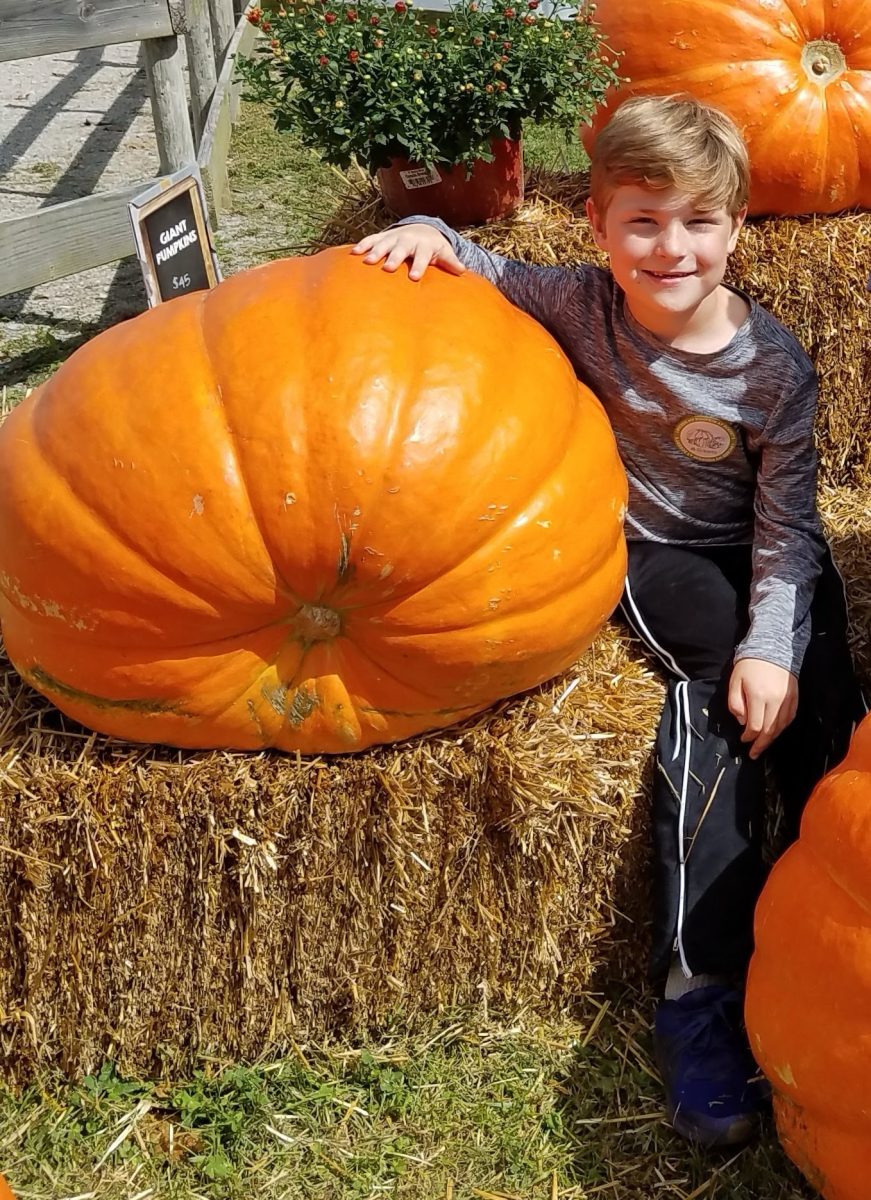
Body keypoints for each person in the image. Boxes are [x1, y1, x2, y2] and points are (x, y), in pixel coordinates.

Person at [351, 94, 866, 1149]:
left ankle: (831, 928)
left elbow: (784, 527)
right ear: (597, 225)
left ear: (733, 228)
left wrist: (781, 647)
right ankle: (698, 988)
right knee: (717, 702)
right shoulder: (579, 302)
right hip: (657, 551)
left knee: (821, 698)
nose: (668, 248)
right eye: (641, 221)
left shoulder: (775, 369)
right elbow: (479, 262)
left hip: (762, 547)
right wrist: (427, 231)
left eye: (695, 222)